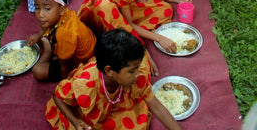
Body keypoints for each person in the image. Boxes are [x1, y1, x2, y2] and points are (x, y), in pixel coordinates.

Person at [45, 29, 183, 130]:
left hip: (115, 102)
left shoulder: (133, 76)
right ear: (109, 71)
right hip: (91, 113)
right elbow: (57, 95)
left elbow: (157, 108)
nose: (137, 75)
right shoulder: (85, 83)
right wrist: (75, 120)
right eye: (132, 71)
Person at [27, 0, 96, 81]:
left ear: (62, 9)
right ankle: (51, 48)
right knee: (44, 30)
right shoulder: (59, 15)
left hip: (81, 62)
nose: (40, 14)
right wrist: (38, 35)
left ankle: (48, 51)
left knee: (38, 71)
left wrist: (65, 83)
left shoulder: (65, 33)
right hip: (72, 49)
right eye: (37, 7)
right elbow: (47, 25)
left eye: (47, 8)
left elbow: (65, 65)